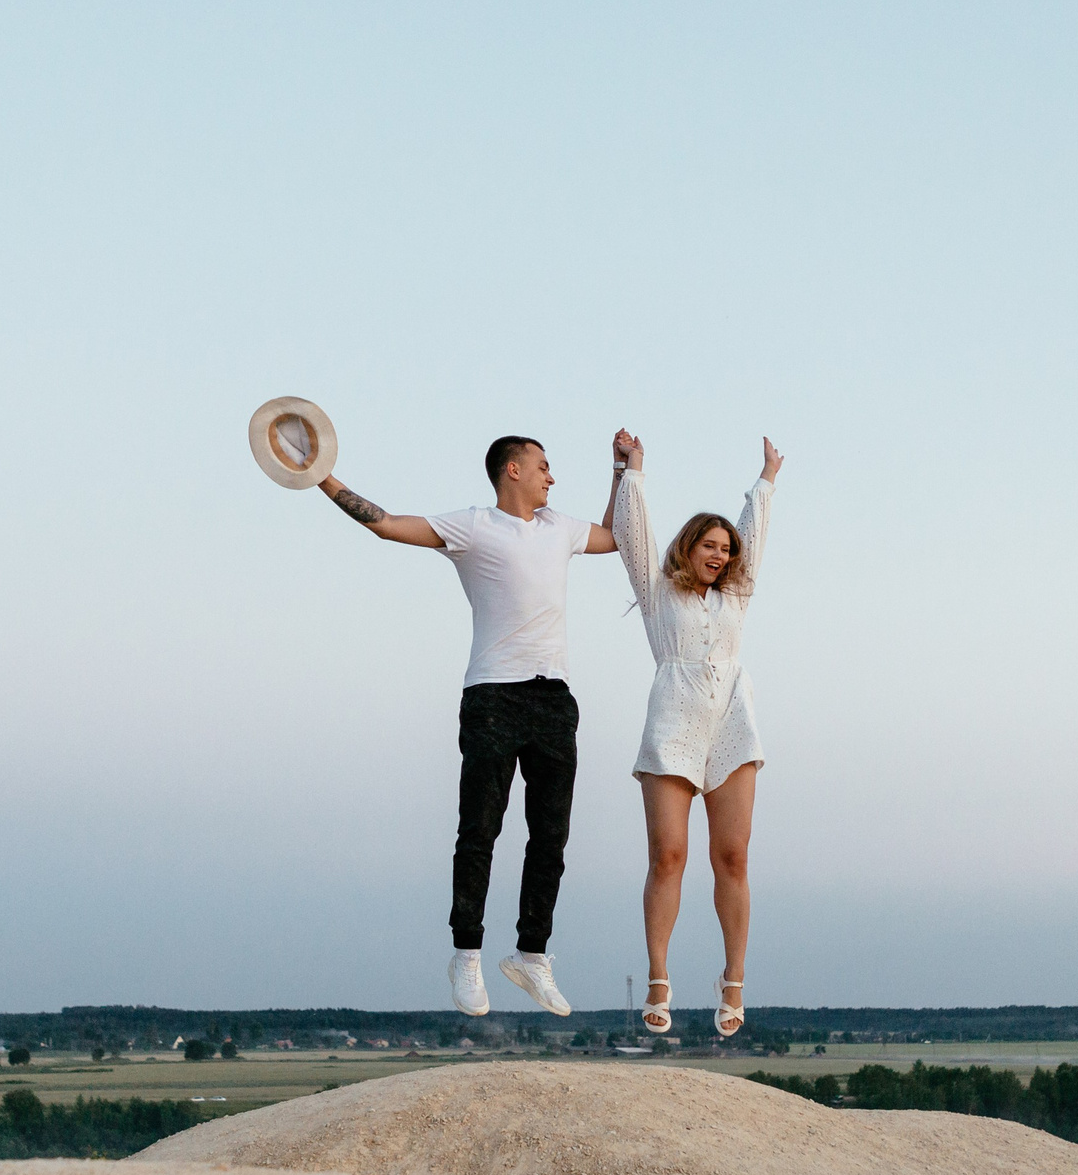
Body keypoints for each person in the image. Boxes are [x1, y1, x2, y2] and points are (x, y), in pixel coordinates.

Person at [317, 436, 624, 1018]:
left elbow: (616, 537)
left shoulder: (560, 528)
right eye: (543, 467)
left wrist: (622, 471)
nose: (551, 478)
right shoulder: (474, 527)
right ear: (513, 470)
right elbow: (384, 524)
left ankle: (532, 956)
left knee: (551, 837)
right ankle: (467, 955)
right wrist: (323, 479)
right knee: (479, 831)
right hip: (491, 697)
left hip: (554, 698)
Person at [603, 432, 782, 1037]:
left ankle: (733, 982)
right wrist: (635, 468)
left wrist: (766, 480)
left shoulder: (738, 593)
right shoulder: (658, 590)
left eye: (726, 549)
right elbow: (634, 532)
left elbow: (755, 537)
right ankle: (659, 979)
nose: (721, 555)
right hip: (674, 720)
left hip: (731, 720)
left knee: (732, 857)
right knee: (668, 857)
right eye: (710, 545)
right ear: (689, 547)